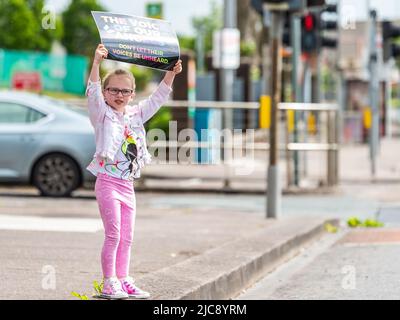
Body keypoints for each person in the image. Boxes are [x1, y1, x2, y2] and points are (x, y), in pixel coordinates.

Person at [86, 43, 182, 299]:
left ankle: (124, 278)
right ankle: (109, 282)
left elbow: (158, 98)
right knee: (114, 234)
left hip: (127, 185)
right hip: (107, 182)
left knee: (127, 237)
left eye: (125, 91)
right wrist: (97, 63)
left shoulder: (135, 114)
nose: (119, 95)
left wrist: (170, 74)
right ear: (106, 92)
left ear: (132, 93)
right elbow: (92, 92)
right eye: (114, 90)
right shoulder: (101, 114)